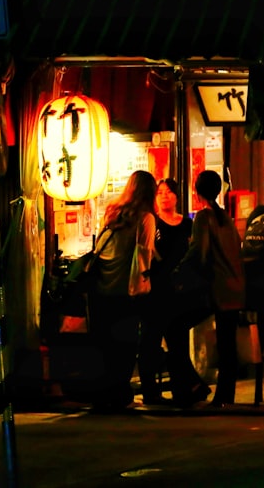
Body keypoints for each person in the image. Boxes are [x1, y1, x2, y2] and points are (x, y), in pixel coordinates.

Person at [90, 170, 157, 412]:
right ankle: (119, 394)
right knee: (126, 346)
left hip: (101, 290)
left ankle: (102, 394)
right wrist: (144, 289)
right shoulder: (146, 218)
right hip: (126, 292)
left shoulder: (112, 212)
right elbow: (143, 257)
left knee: (106, 345)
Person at [179, 170, 246, 408]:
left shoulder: (203, 217)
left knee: (175, 326)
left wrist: (179, 271)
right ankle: (225, 395)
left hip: (216, 288)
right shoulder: (225, 218)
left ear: (196, 192)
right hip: (234, 287)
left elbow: (200, 251)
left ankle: (199, 388)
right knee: (228, 343)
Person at [137, 178, 194, 405]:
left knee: (177, 340)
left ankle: (183, 389)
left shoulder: (186, 224)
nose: (164, 196)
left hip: (178, 289)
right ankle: (150, 390)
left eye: (169, 192)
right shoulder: (152, 222)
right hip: (155, 288)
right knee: (150, 340)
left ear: (177, 196)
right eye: (160, 192)